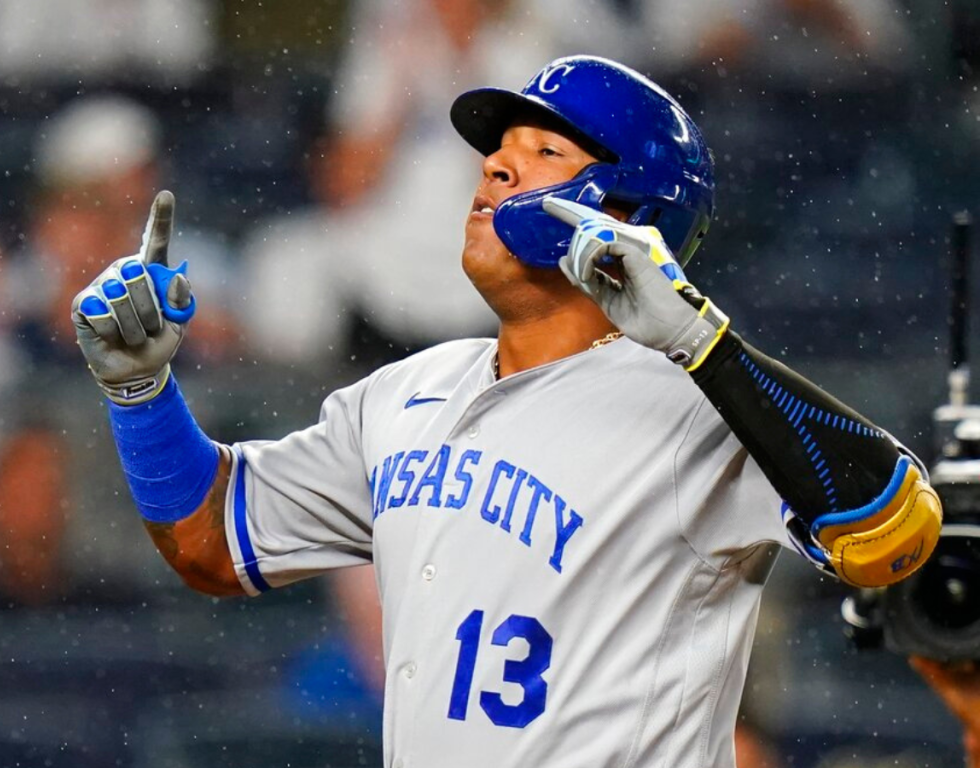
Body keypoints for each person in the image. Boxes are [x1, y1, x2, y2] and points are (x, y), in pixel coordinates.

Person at [69, 56, 943, 767]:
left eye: (545, 153)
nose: (494, 165)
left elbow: (897, 530)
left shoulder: (700, 405)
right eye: (500, 150)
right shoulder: (404, 392)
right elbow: (214, 541)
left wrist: (701, 342)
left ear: (631, 210)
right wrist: (141, 396)